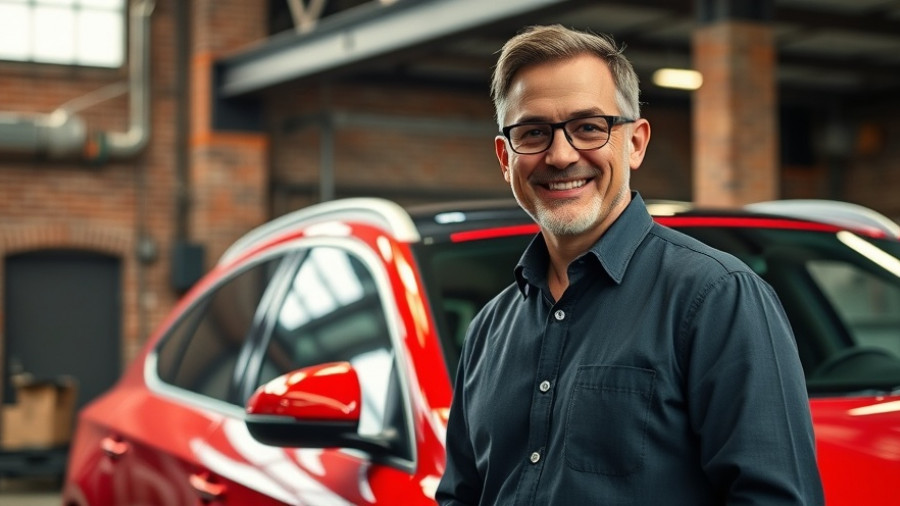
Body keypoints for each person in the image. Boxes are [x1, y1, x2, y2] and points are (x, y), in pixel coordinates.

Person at [435, 24, 824, 505]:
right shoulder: (488, 330)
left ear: (635, 143)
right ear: (505, 157)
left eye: (589, 128)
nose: (560, 155)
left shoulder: (717, 298)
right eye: (533, 132)